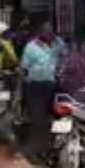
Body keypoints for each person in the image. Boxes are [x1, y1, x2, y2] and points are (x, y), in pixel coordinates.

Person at [20, 18, 67, 158]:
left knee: (60, 117)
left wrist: (62, 67)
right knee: (39, 119)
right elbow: (24, 69)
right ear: (39, 32)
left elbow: (66, 56)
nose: (49, 33)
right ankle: (39, 151)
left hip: (56, 85)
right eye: (46, 30)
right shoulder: (31, 47)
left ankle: (58, 147)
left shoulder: (58, 42)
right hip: (37, 86)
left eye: (51, 30)